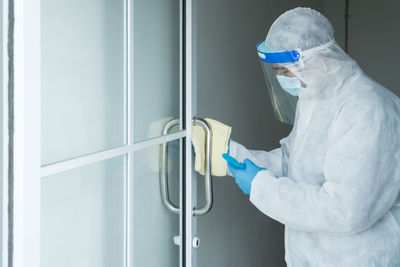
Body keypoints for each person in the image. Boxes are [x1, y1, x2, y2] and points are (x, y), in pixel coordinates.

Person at [191, 7, 400, 267]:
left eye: (285, 70)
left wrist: (261, 185)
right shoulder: (315, 97)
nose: (281, 78)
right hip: (311, 257)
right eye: (276, 71)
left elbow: (346, 211)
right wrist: (226, 154)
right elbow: (294, 162)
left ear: (318, 60)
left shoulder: (367, 108)